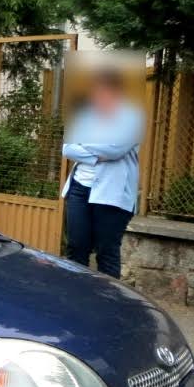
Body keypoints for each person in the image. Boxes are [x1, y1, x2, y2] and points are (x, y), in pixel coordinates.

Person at [61, 68, 144, 278]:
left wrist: (85, 145)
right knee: (76, 247)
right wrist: (98, 152)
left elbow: (115, 148)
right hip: (79, 188)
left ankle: (108, 305)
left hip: (113, 194)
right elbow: (67, 148)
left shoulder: (132, 117)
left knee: (106, 253)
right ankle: (75, 299)